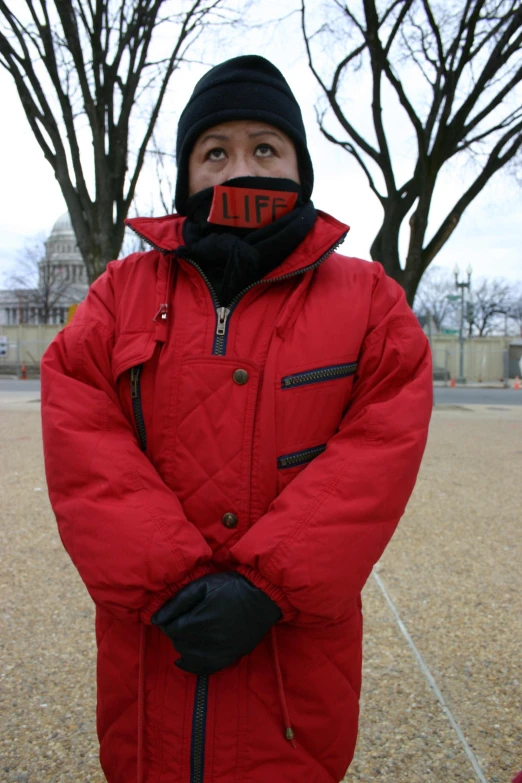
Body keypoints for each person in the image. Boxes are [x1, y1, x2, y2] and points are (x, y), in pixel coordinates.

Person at [41, 55, 433, 783]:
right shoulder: (122, 291)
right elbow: (78, 424)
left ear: (298, 166)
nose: (237, 168)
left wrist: (268, 584)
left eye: (264, 148)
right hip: (155, 648)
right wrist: (165, 578)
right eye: (214, 152)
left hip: (289, 659)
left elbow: (381, 441)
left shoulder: (368, 300)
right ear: (188, 174)